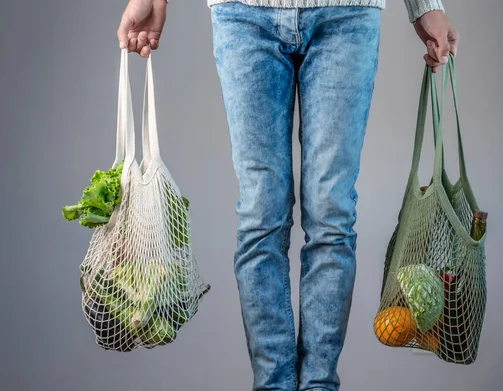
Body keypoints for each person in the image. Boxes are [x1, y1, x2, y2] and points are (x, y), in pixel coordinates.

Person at [117, 1, 459, 390]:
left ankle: (319, 385)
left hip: (346, 12)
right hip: (243, 13)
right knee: (260, 218)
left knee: (332, 215)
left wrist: (424, 4)